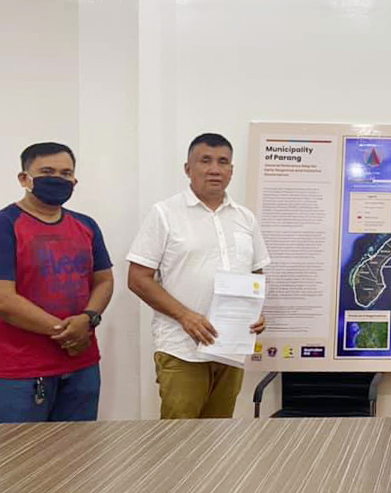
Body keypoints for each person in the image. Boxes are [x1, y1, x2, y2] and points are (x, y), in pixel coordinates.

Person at [127, 133, 270, 419]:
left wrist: (256, 311)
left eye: (223, 162)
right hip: (183, 349)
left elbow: (256, 271)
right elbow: (138, 278)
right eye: (205, 160)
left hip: (230, 350)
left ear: (231, 170)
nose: (214, 169)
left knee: (217, 440)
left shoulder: (245, 218)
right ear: (187, 168)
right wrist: (185, 316)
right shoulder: (165, 213)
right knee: (179, 441)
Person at [0, 142, 114, 423]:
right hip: (22, 371)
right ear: (24, 179)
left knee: (77, 457)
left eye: (66, 173)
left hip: (82, 365)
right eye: (48, 171)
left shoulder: (86, 225)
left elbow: (104, 280)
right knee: (23, 460)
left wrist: (88, 320)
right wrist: (67, 332)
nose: (58, 179)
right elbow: (4, 299)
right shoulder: (6, 225)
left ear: (75, 181)